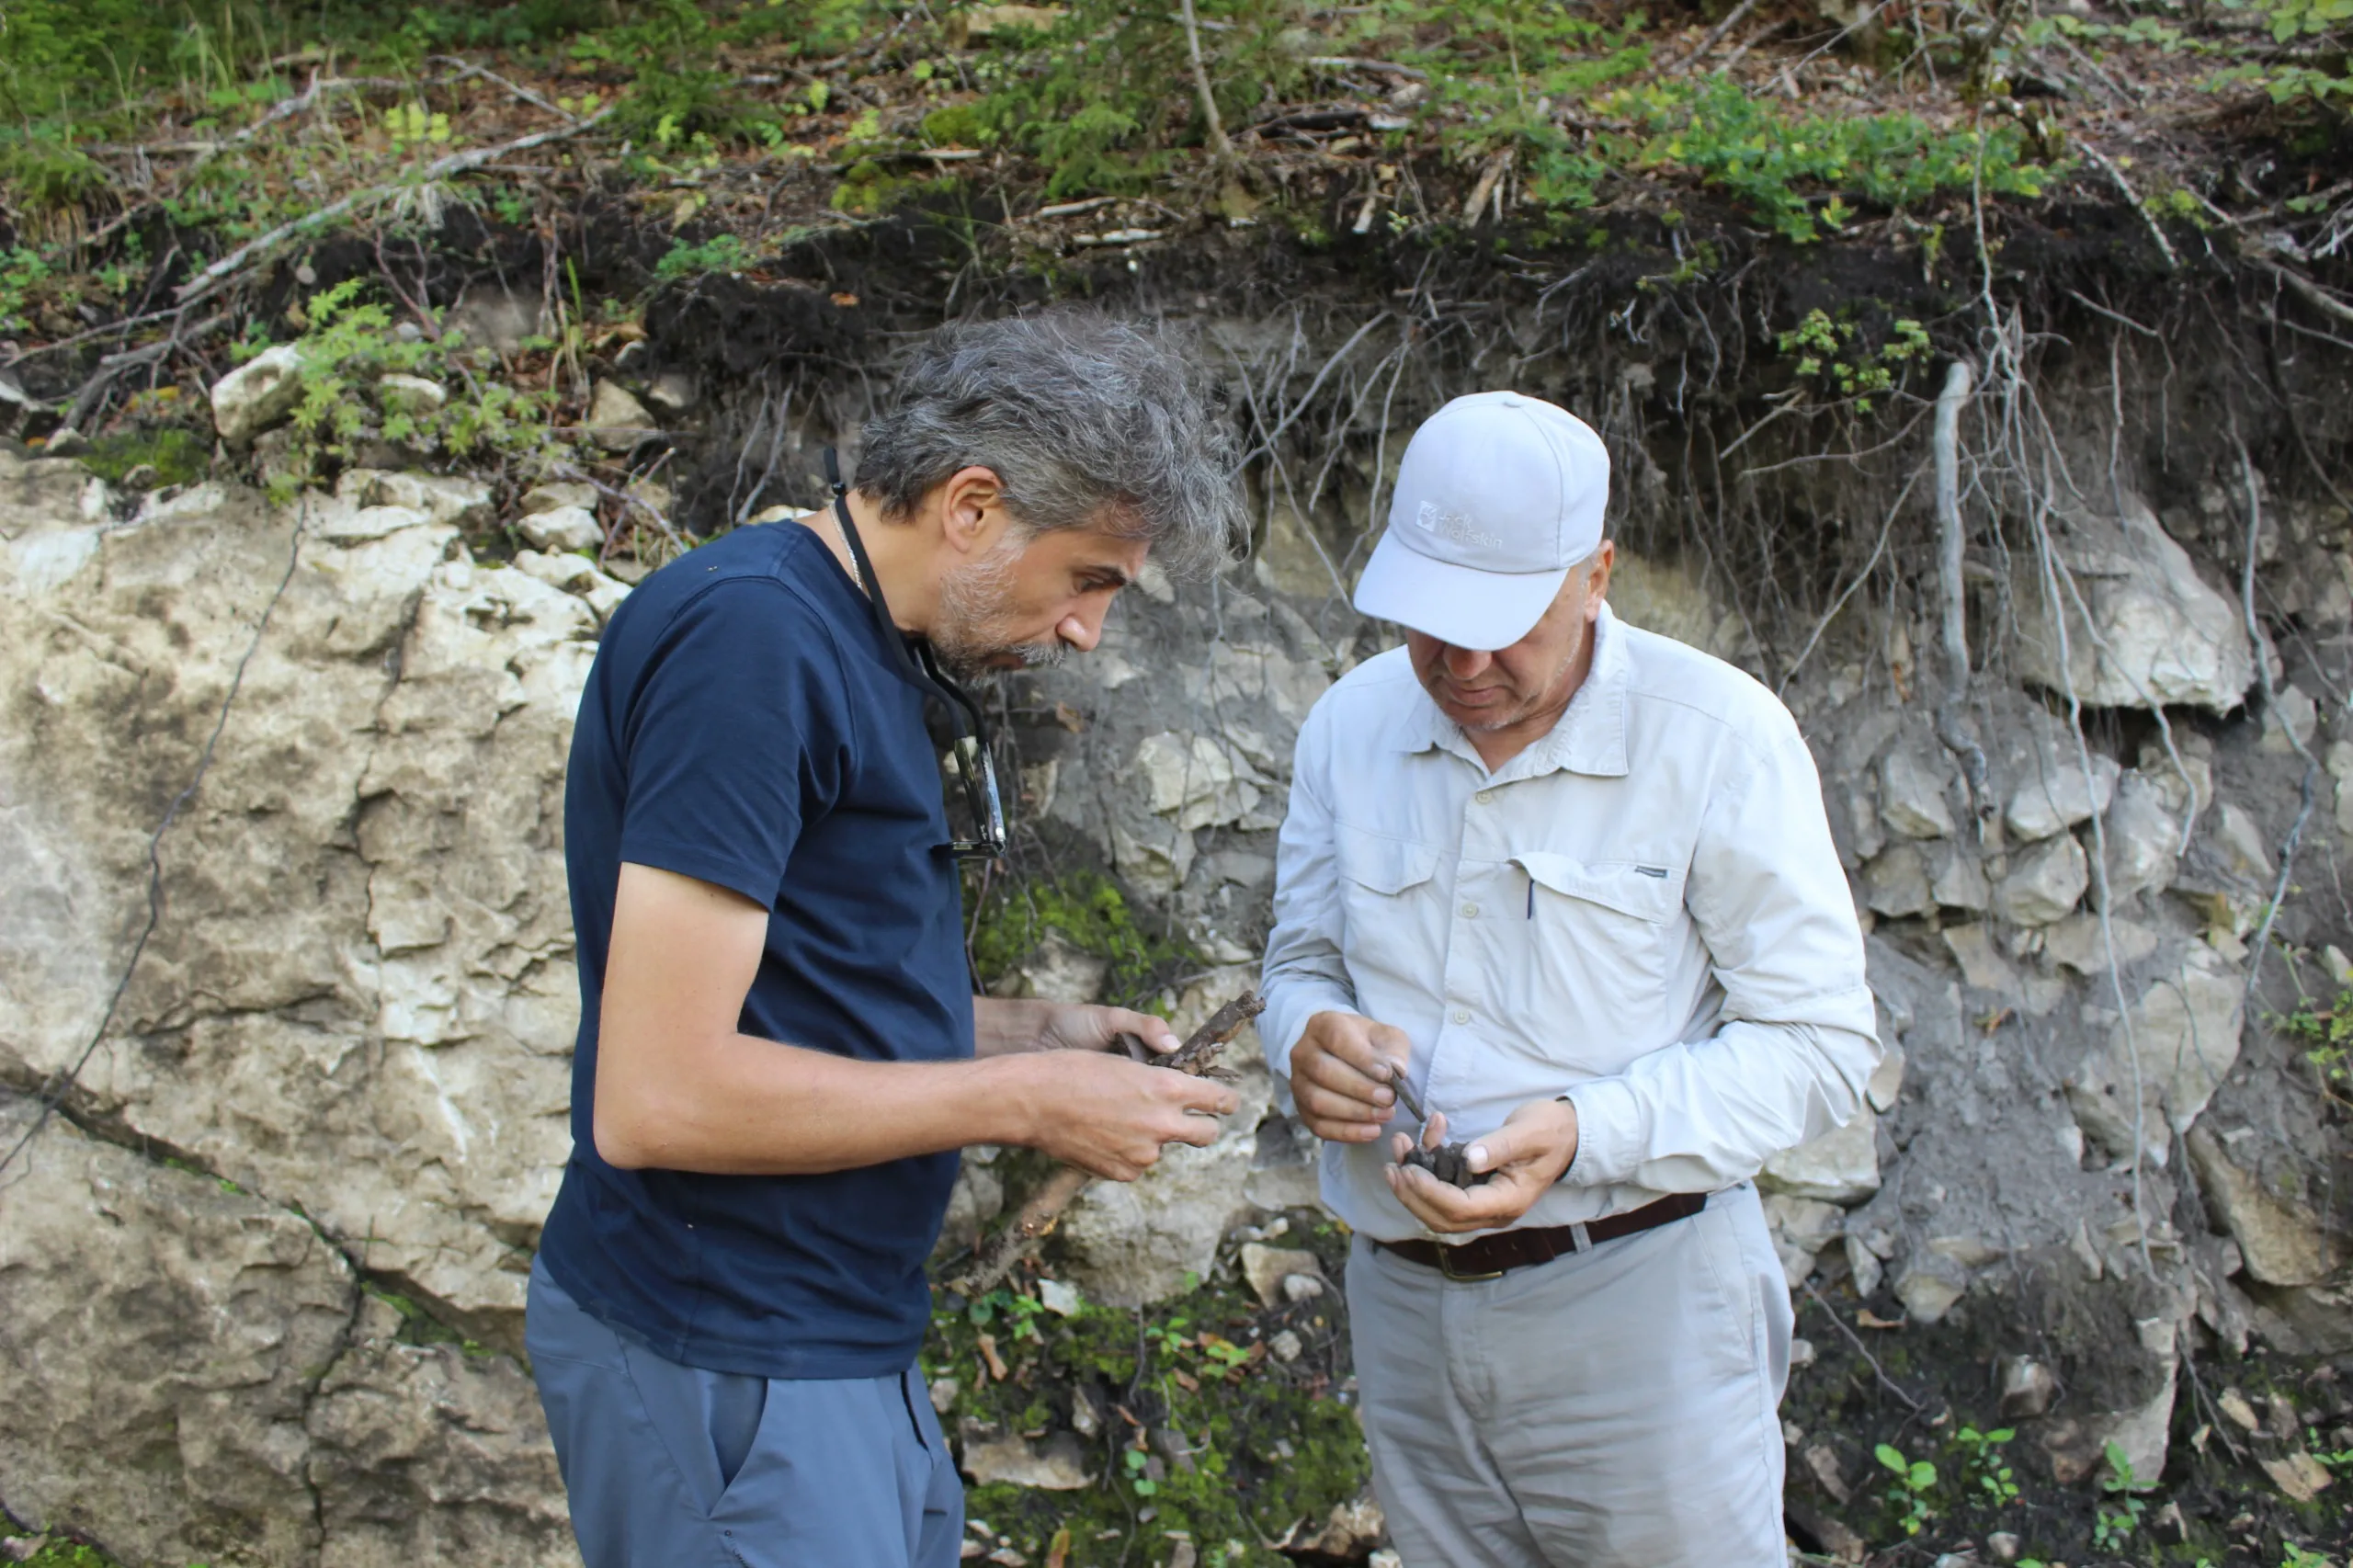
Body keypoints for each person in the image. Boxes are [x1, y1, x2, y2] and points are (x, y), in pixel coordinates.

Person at [529, 312, 1245, 1568]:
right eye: (1090, 578)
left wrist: (1028, 1033)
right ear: (972, 506)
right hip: (729, 1349)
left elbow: (795, 1004)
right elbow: (657, 1098)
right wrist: (1022, 1097)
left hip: (831, 1342)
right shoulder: (752, 643)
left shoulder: (858, 641)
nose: (1088, 631)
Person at [1260, 391, 1880, 1566]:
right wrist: (1307, 1037)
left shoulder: (1717, 738)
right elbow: (1298, 965)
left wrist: (1584, 1130)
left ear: (1596, 573)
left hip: (1640, 1313)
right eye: (1428, 620)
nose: (1463, 661)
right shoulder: (1349, 727)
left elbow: (1818, 1046)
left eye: (1504, 622)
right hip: (1401, 1308)